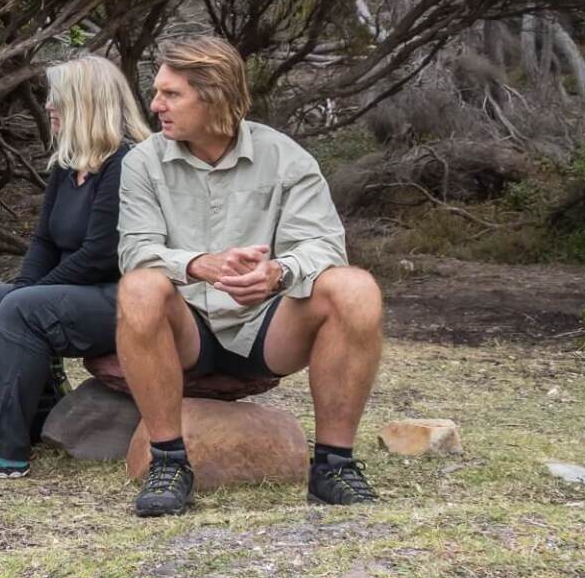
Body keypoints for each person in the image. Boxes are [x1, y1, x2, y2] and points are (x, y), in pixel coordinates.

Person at [116, 37, 384, 517]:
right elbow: (135, 250)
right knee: (139, 285)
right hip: (187, 329)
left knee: (355, 287)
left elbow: (325, 246)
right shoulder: (143, 162)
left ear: (214, 94)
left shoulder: (285, 157)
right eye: (158, 92)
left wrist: (279, 273)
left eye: (171, 94)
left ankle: (333, 467)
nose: (155, 105)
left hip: (267, 328)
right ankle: (169, 462)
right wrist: (199, 264)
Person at [0, 55, 151, 478]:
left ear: (86, 104)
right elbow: (45, 241)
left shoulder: (125, 164)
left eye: (58, 99)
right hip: (71, 291)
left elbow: (101, 255)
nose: (48, 106)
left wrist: (31, 295)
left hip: (120, 297)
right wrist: (24, 287)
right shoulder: (69, 165)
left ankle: (0, 451)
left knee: (22, 307)